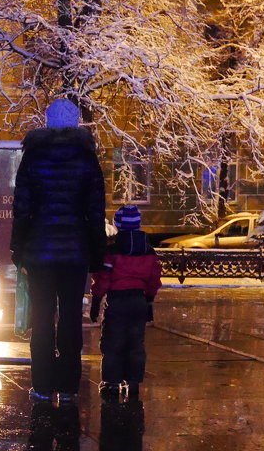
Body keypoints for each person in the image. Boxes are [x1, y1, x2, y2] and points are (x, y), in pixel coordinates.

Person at [10, 98, 106, 404]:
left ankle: (41, 385)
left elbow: (22, 208)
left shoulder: (33, 156)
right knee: (69, 321)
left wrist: (18, 249)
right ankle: (67, 387)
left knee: (42, 317)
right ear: (77, 123)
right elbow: (95, 210)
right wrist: (97, 254)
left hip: (39, 251)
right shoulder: (87, 158)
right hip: (75, 252)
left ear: (48, 122)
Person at [89, 204, 162, 400]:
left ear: (117, 225)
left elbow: (103, 277)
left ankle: (112, 383)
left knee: (113, 342)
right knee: (136, 343)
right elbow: (154, 278)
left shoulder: (112, 250)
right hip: (139, 300)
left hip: (118, 302)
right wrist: (149, 301)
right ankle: (134, 382)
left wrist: (96, 301)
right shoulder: (148, 249)